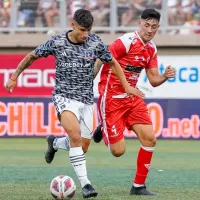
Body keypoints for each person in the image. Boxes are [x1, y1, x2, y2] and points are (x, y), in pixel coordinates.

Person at [5, 8, 144, 199]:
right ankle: (86, 184)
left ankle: (54, 143)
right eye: (82, 30)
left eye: (88, 30)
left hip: (86, 100)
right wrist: (14, 77)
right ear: (73, 25)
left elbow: (112, 63)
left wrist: (127, 86)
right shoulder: (57, 42)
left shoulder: (95, 42)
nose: (85, 35)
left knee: (82, 145)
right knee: (76, 137)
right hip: (64, 97)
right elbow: (32, 56)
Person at [93, 8, 176, 195]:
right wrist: (90, 77)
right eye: (147, 25)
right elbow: (104, 56)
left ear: (157, 28)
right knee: (118, 151)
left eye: (154, 27)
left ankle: (138, 186)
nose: (150, 30)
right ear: (140, 23)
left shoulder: (151, 49)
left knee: (150, 138)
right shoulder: (126, 41)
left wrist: (165, 76)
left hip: (132, 97)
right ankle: (103, 127)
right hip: (112, 96)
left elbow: (153, 80)